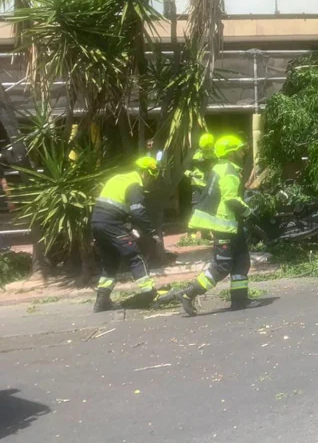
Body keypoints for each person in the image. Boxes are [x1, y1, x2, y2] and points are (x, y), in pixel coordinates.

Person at [158, 134, 252, 316]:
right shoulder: (228, 171)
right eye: (240, 149)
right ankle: (188, 293)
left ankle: (240, 299)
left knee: (242, 261)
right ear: (231, 153)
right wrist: (249, 211)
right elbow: (231, 199)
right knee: (222, 266)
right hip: (225, 226)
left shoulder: (222, 168)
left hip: (232, 226)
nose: (242, 152)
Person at [90, 156, 162, 312]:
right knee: (135, 257)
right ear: (146, 173)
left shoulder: (118, 178)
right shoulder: (134, 184)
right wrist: (151, 232)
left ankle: (101, 301)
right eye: (151, 178)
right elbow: (138, 211)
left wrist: (128, 228)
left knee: (110, 260)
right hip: (111, 224)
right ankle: (150, 295)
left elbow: (116, 208)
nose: (150, 182)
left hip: (97, 222)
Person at [185, 132, 216, 209]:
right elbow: (184, 169)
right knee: (196, 206)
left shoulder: (216, 154)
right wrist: (191, 174)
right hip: (197, 184)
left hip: (211, 184)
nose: (206, 151)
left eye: (208, 149)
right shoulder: (194, 154)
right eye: (204, 149)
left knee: (210, 207)